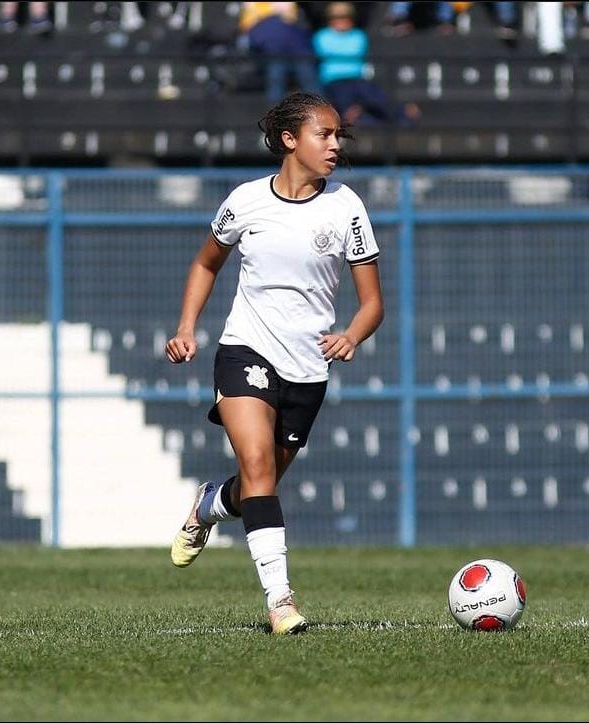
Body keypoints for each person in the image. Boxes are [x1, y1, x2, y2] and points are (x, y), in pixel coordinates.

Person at [165, 91, 385, 635]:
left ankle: (212, 504)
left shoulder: (347, 207)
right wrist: (187, 327)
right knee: (259, 466)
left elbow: (374, 303)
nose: (335, 145)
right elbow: (205, 263)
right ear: (290, 140)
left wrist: (352, 335)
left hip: (308, 368)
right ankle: (280, 601)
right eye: (324, 135)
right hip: (246, 348)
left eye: (339, 137)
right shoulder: (245, 201)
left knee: (255, 484)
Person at [314, 1, 420, 126]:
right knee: (346, 109)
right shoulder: (321, 37)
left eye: (345, 17)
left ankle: (403, 116)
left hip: (358, 80)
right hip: (334, 82)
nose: (341, 21)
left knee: (377, 98)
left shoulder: (358, 36)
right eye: (337, 18)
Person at [240, 1, 322, 102]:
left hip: (299, 51)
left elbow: (297, 20)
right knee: (276, 79)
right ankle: (275, 115)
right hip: (273, 53)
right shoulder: (252, 5)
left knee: (309, 79)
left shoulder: (291, 5)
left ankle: (321, 112)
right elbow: (247, 28)